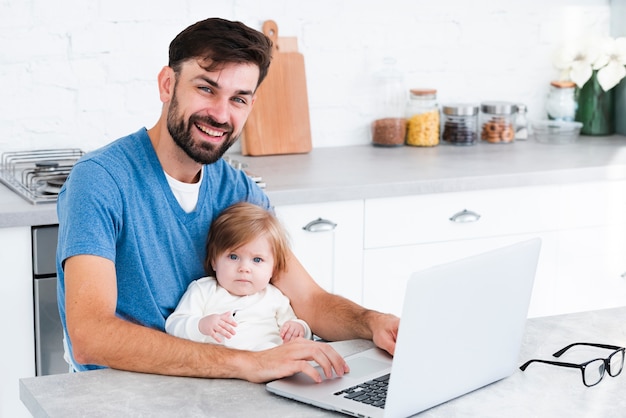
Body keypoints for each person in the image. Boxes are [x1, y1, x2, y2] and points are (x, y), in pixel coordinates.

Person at [56, 17, 399, 384]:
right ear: (167, 85)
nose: (221, 114)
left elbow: (310, 301)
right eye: (206, 89)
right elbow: (90, 336)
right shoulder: (100, 180)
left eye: (238, 99)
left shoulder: (239, 191)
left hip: (216, 386)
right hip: (124, 391)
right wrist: (247, 363)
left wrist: (373, 322)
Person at [166, 202, 312, 350]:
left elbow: (297, 328)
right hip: (222, 364)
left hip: (271, 360)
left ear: (272, 270)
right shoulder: (203, 290)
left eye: (257, 260)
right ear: (214, 261)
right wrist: (200, 325)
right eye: (233, 257)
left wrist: (300, 328)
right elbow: (173, 325)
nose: (244, 268)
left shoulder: (275, 297)